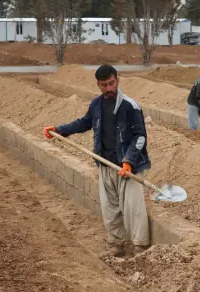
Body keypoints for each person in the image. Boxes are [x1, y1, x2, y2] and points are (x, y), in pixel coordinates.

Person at [42, 65, 150, 257]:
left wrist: (129, 160)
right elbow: (84, 122)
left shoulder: (130, 106)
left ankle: (140, 248)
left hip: (127, 167)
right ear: (98, 85)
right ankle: (116, 245)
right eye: (104, 85)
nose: (109, 89)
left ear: (117, 80)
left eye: (111, 83)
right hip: (106, 163)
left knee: (133, 209)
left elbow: (140, 136)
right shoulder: (97, 105)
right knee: (110, 209)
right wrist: (60, 130)